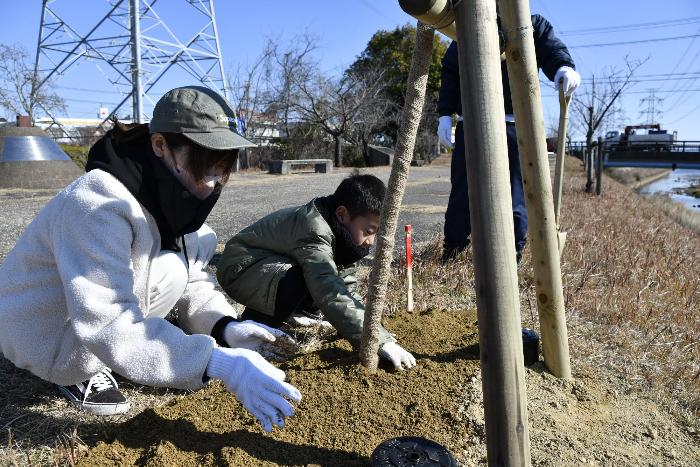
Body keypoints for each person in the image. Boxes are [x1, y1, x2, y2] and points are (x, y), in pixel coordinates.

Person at [0, 86, 300, 432]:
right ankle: (79, 371)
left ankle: (126, 351)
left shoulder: (173, 194)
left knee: (184, 258)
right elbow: (107, 321)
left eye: (222, 167)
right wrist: (218, 363)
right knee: (166, 273)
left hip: (84, 314)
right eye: (207, 164)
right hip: (44, 333)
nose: (216, 181)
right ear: (160, 145)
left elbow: (193, 281)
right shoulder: (98, 203)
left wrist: (226, 328)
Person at [216, 174, 416, 371]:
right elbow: (327, 289)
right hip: (241, 267)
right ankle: (254, 330)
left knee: (312, 280)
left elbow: (345, 287)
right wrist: (379, 341)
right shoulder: (314, 229)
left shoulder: (342, 233)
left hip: (267, 267)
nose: (370, 242)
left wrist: (377, 334)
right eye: (369, 231)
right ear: (342, 214)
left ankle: (291, 316)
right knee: (297, 279)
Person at [437, 14, 581, 262]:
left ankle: (511, 254)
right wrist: (444, 114)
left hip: (515, 124)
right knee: (463, 191)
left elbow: (550, 48)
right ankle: (453, 250)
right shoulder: (466, 24)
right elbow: (451, 69)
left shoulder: (528, 23)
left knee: (515, 193)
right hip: (470, 121)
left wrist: (563, 66)